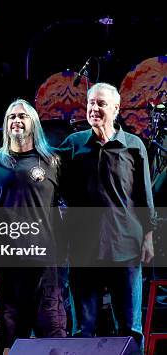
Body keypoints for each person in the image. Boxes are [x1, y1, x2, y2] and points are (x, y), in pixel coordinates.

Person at [59, 82, 154, 350]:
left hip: (125, 247)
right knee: (83, 330)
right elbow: (44, 169)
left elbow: (144, 197)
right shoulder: (73, 145)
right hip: (83, 249)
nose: (94, 108)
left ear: (116, 108)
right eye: (90, 103)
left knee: (129, 328)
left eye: (101, 103)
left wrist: (148, 237)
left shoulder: (133, 146)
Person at [0, 99, 67, 354]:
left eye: (22, 116)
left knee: (51, 331)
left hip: (45, 262)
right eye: (11, 117)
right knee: (9, 335)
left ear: (34, 123)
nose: (16, 121)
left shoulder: (52, 160)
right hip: (8, 263)